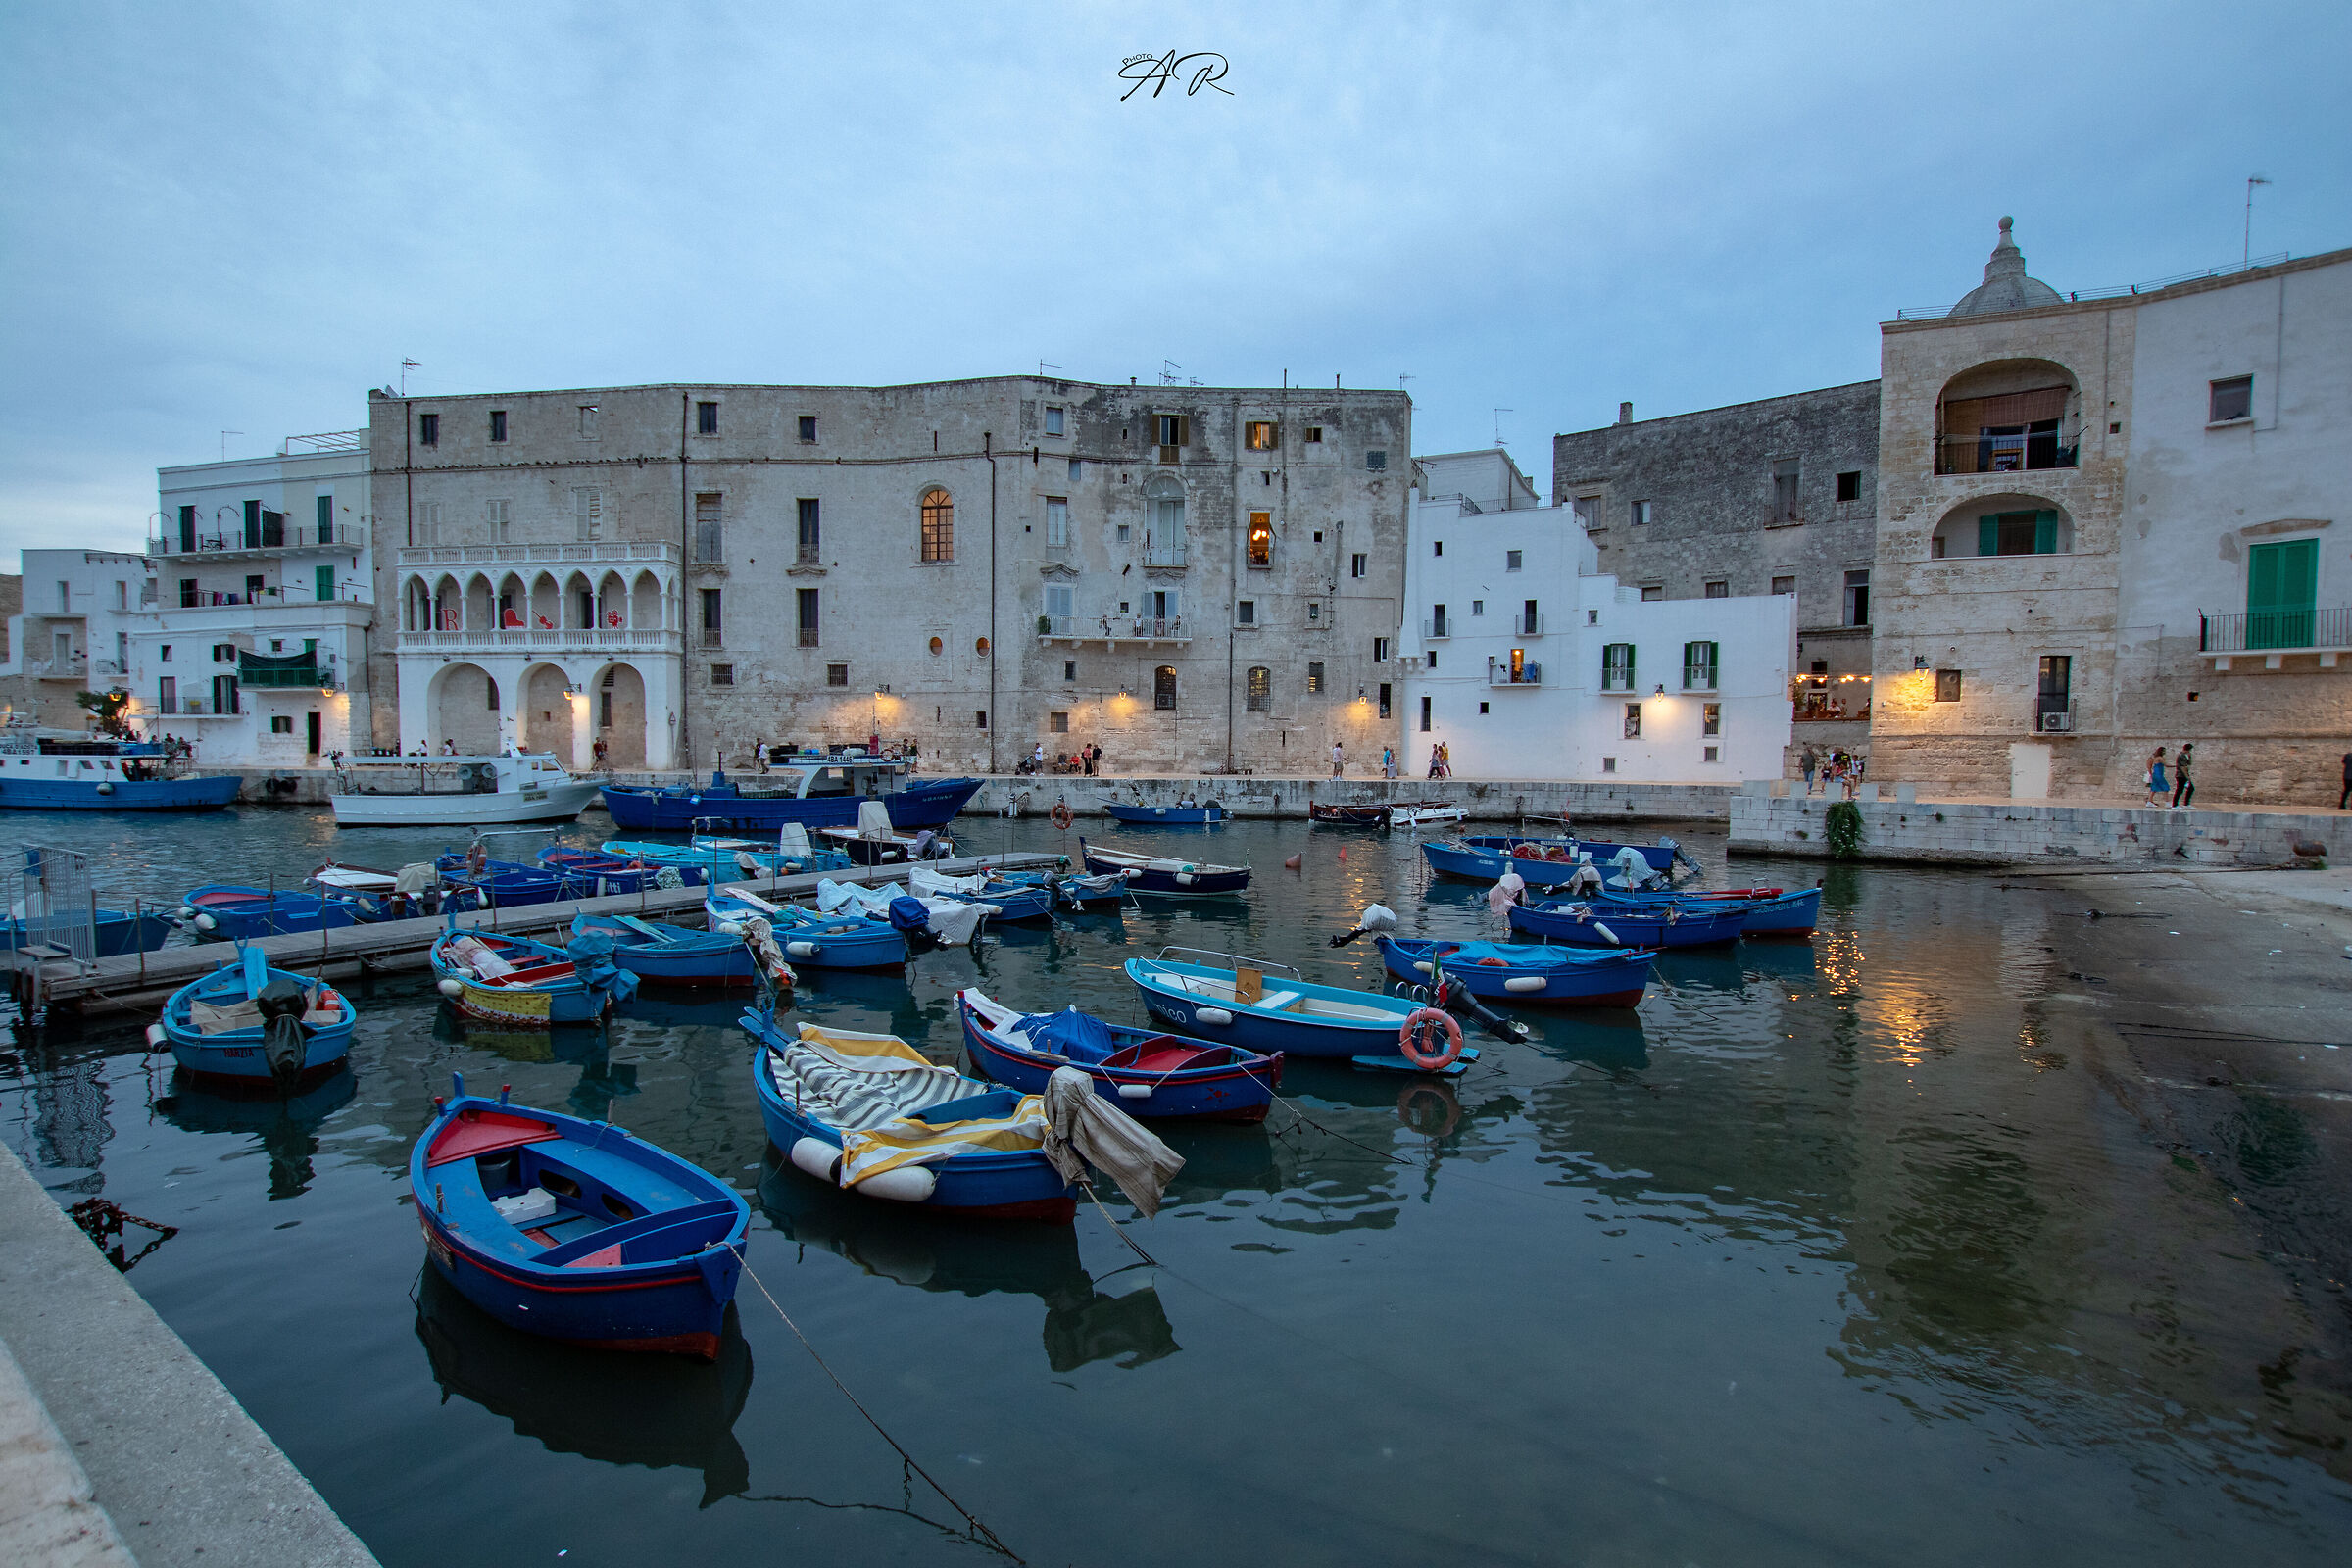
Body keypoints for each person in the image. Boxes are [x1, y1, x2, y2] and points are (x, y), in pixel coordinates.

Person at [2171, 743, 2194, 809]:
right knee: (2179, 790)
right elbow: (2182, 767)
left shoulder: (2186, 755)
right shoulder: (2181, 755)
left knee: (2191, 788)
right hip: (2181, 775)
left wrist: (2190, 757)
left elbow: (2190, 763)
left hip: (2184, 775)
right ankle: (2174, 805)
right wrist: (2187, 776)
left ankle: (2186, 803)